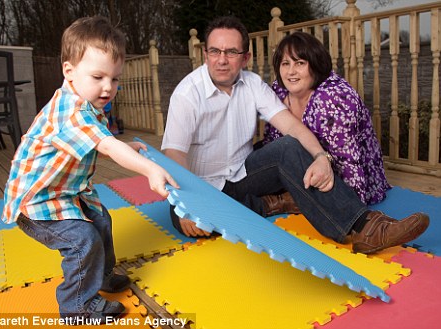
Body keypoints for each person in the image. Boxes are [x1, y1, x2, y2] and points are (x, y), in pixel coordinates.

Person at [162, 16, 429, 255]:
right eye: (215, 51)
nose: (222, 59)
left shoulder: (253, 84)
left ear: (246, 57)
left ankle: (365, 227)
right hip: (198, 186)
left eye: (231, 52)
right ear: (205, 54)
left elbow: (293, 128)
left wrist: (321, 158)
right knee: (198, 225)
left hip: (242, 174)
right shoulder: (187, 94)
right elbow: (173, 155)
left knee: (288, 146)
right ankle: (267, 205)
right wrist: (188, 204)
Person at [1, 16, 178, 323]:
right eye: (98, 77)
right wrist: (148, 169)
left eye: (115, 78)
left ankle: (99, 277)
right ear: (69, 71)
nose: (108, 87)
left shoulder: (87, 104)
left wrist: (127, 147)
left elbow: (101, 142)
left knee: (101, 219)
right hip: (36, 203)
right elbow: (107, 146)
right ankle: (77, 307)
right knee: (83, 239)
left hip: (65, 193)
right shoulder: (69, 111)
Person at [260, 31, 390, 205]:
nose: (291, 71)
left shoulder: (335, 98)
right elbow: (271, 143)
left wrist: (350, 211)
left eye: (299, 63)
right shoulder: (278, 89)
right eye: (285, 63)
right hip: (300, 167)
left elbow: (348, 163)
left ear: (315, 64)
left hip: (339, 172)